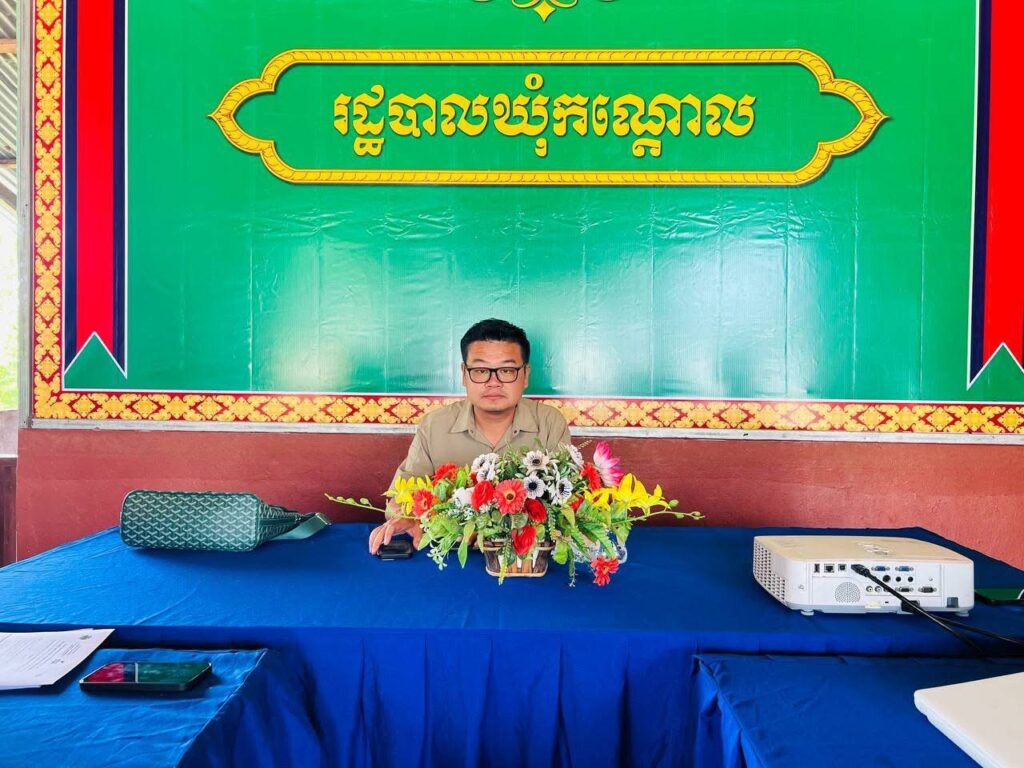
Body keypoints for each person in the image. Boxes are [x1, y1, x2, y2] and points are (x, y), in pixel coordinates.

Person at [368, 319, 571, 553]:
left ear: (525, 374)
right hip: (451, 555)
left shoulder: (549, 423)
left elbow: (567, 504)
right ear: (464, 374)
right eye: (481, 371)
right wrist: (406, 517)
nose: (493, 383)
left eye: (507, 370)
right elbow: (397, 500)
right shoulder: (435, 426)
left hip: (522, 559)